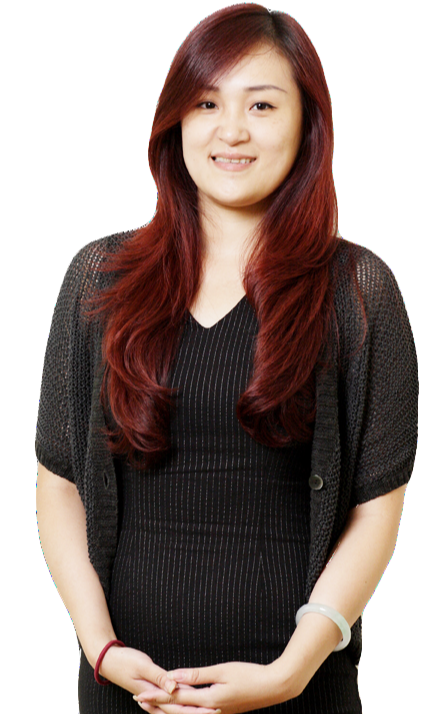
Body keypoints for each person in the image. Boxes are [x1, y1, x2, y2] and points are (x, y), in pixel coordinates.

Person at [35, 5, 418, 714]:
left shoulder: (357, 289)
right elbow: (58, 483)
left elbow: (377, 508)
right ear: (176, 121)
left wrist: (291, 673)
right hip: (126, 691)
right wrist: (102, 649)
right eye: (207, 103)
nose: (231, 130)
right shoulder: (99, 276)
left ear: (307, 124)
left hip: (299, 692)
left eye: (262, 105)